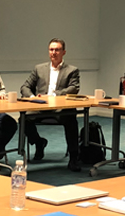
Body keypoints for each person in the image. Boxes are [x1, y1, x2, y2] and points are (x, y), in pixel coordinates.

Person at [19, 38, 82, 171]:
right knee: (23, 119)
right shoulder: (39, 68)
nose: (54, 52)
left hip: (60, 109)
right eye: (51, 50)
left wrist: (53, 96)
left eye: (57, 50)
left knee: (71, 120)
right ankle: (38, 142)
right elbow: (25, 86)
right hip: (40, 107)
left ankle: (74, 157)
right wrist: (32, 98)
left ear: (63, 52)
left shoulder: (72, 70)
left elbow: (73, 88)